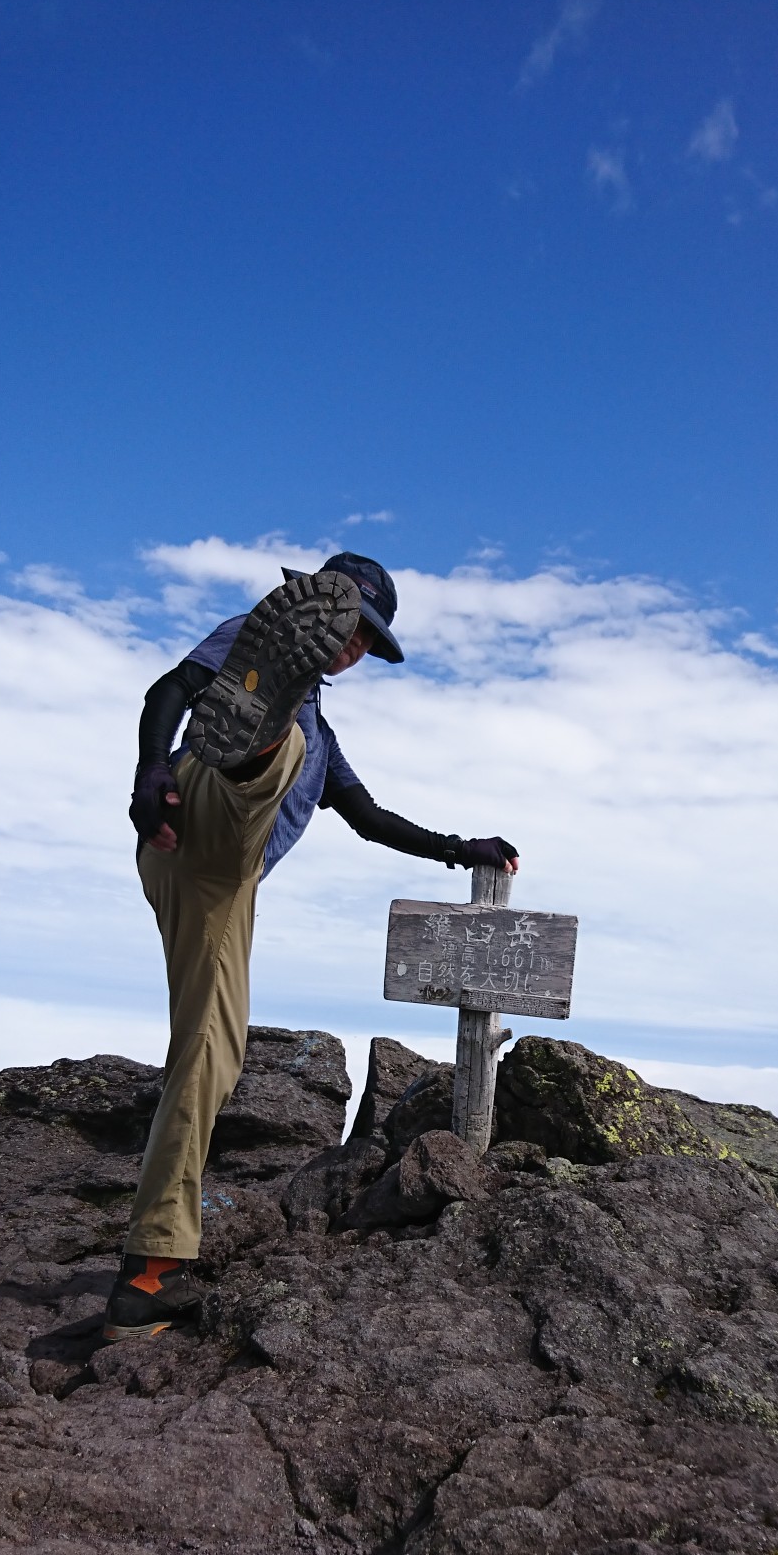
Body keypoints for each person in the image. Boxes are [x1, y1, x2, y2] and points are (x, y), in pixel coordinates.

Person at [105, 551, 518, 1343]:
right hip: (195, 810)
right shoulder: (251, 644)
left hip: (209, 873)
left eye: (366, 639)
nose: (355, 645)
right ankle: (151, 1268)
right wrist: (152, 768)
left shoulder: (320, 732)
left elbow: (369, 818)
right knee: (205, 1054)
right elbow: (169, 691)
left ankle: (251, 746)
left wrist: (462, 848)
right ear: (312, 607)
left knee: (215, 1052)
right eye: (350, 626)